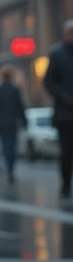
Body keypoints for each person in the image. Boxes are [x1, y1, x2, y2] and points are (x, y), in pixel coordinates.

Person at [44, 17, 73, 203]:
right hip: (66, 114)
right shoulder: (57, 53)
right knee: (66, 152)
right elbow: (49, 81)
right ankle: (65, 185)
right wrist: (64, 97)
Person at [0, 66, 27, 183]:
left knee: (5, 145)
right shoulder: (15, 90)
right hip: (12, 122)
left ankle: (8, 166)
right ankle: (10, 167)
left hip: (1, 123)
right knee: (12, 145)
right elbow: (20, 107)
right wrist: (24, 121)